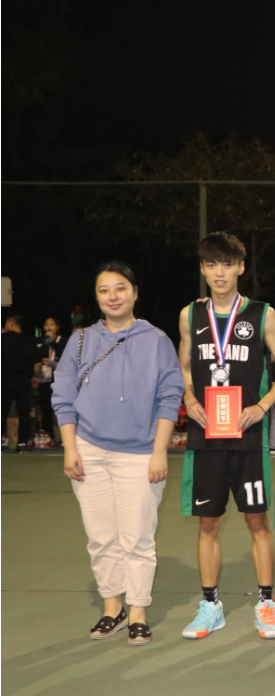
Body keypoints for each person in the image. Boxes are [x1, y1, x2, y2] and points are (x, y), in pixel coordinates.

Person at [52, 262, 183, 645]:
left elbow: (169, 395)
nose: (113, 296)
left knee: (137, 537)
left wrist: (159, 452)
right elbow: (63, 396)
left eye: (121, 288)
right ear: (97, 297)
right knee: (100, 537)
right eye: (104, 290)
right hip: (89, 450)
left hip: (139, 454)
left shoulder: (156, 340)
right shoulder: (80, 340)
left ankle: (138, 610)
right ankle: (113, 607)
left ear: (135, 293)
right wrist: (70, 448)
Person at [175, 233, 275, 641]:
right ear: (203, 269)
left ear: (241, 267)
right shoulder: (190, 315)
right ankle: (211, 605)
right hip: (206, 435)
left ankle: (265, 602)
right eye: (211, 264)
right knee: (208, 522)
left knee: (257, 520)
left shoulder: (263, 314)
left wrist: (262, 406)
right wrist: (189, 397)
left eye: (227, 264)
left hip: (248, 435)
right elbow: (183, 366)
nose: (219, 272)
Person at [1, 314, 40, 451]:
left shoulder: (2, 339)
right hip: (24, 380)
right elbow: (37, 364)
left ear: (11, 323)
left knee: (2, 411)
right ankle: (22, 443)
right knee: (24, 413)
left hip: (5, 380)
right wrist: (35, 377)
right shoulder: (29, 340)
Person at [36, 317, 67, 446]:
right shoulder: (40, 342)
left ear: (57, 327)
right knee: (46, 407)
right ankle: (48, 436)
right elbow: (37, 355)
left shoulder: (63, 341)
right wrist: (46, 342)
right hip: (45, 379)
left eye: (52, 325)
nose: (49, 327)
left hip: (60, 379)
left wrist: (52, 342)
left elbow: (64, 356)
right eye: (47, 325)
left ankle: (64, 437)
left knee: (61, 407)